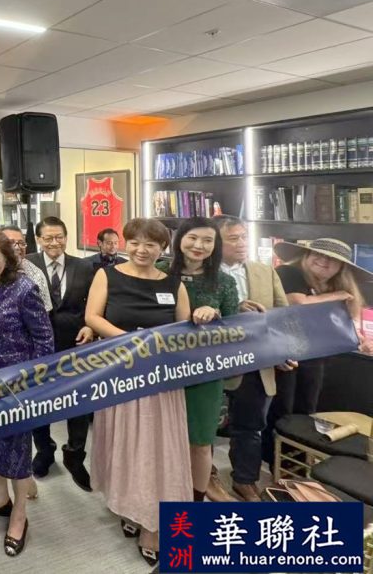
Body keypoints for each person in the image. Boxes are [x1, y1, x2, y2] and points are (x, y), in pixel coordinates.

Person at [86, 218, 192, 566]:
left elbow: (184, 328)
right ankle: (128, 506)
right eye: (134, 242)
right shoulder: (107, 275)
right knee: (125, 445)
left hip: (161, 379)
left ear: (163, 248)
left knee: (158, 451)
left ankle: (153, 524)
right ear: (125, 243)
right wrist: (133, 341)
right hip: (120, 374)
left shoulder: (174, 283)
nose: (141, 250)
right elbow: (93, 317)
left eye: (150, 244)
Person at [0, 230, 53, 558]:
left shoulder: (24, 289)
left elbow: (45, 340)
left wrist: (34, 383)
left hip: (16, 385)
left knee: (16, 449)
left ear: (7, 258)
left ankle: (19, 514)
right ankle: (0, 499)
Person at [264, 237, 373, 467]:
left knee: (306, 412)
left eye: (332, 259)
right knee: (281, 410)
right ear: (306, 255)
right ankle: (274, 460)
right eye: (319, 254)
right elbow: (296, 303)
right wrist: (337, 296)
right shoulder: (288, 272)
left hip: (315, 357)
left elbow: (342, 324)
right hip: (284, 355)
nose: (324, 261)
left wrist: (359, 340)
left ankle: (297, 461)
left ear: (341, 266)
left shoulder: (336, 286)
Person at [156, 217, 238, 503]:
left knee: (201, 441)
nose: (199, 245)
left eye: (207, 240)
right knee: (160, 440)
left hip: (204, 372)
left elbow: (235, 330)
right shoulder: (158, 271)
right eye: (192, 238)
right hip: (158, 370)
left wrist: (216, 315)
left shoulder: (224, 282)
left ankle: (195, 501)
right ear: (179, 239)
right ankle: (157, 498)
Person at [214, 216, 296, 501]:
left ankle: (245, 479)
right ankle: (204, 477)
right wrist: (233, 309)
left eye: (244, 237)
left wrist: (283, 351)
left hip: (257, 362)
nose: (241, 243)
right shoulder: (201, 273)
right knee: (204, 426)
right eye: (233, 238)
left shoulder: (264, 271)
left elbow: (283, 316)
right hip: (213, 362)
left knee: (250, 425)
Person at [26, 217, 95, 490]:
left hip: (76, 344)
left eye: (59, 237)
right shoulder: (26, 265)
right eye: (48, 238)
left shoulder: (84, 266)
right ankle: (44, 450)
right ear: (38, 240)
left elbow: (95, 303)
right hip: (37, 348)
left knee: (79, 403)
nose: (54, 243)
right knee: (39, 403)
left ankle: (75, 455)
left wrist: (91, 326)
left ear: (66, 237)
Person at [0, 226, 51, 313]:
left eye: (21, 243)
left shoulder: (36, 274)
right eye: (11, 243)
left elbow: (45, 311)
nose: (17, 247)